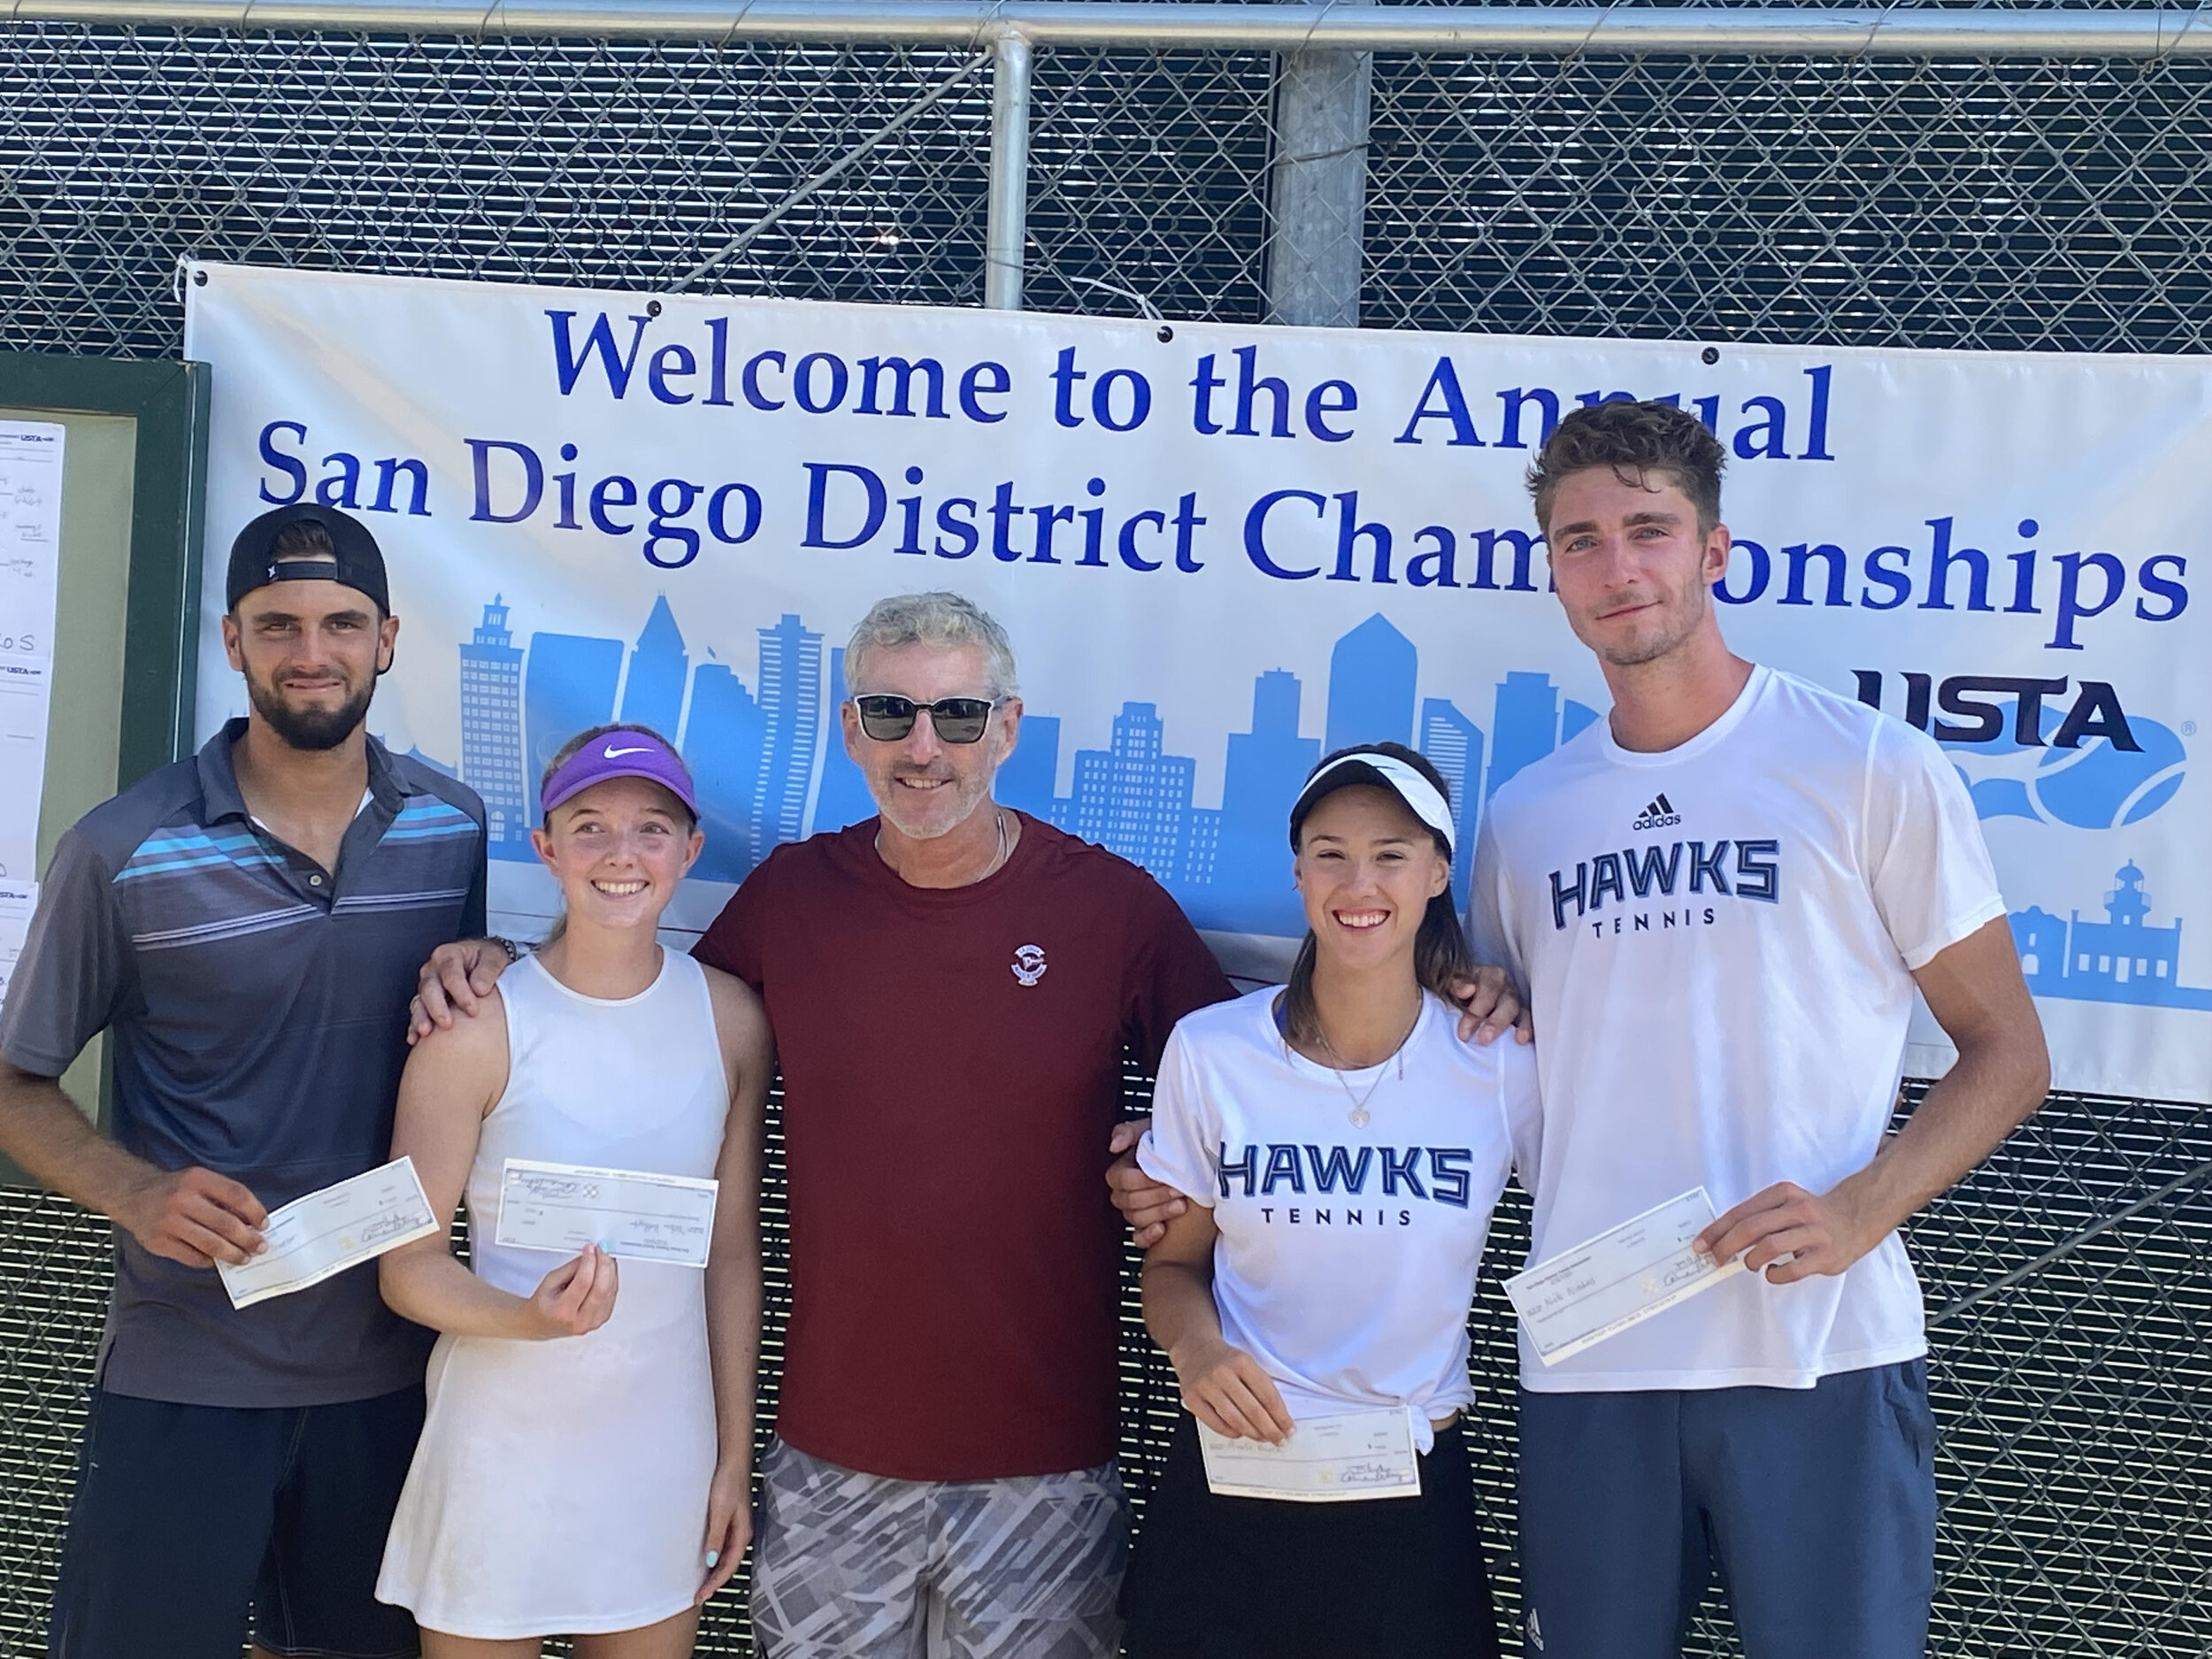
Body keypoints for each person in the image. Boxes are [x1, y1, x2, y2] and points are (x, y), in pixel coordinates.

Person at [410, 592, 1239, 1658]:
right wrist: (484, 958)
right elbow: (627, 1014)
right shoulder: (794, 896)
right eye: (891, 715)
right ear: (851, 731)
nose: (925, 750)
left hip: (1046, 1467)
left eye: (958, 717)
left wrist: (1154, 1148)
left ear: (1009, 728)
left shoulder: (1112, 910)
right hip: (829, 1461)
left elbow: (1250, 1084)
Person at [1466, 399, 2051, 1659]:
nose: (1618, 568)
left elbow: (2008, 1050)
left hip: (1819, 1349)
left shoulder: (1866, 767)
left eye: (1648, 529)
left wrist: (1862, 1207)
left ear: (1716, 550)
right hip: (1597, 1355)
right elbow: (1499, 1048)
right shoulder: (1527, 815)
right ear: (1552, 572)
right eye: (1581, 541)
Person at [0, 503, 488, 1659]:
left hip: (389, 1359)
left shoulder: (451, 829)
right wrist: (131, 1191)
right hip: (189, 1359)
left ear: (388, 638)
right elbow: (14, 1080)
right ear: (231, 639)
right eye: (278, 623)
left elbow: (464, 1043)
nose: (309, 650)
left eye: (339, 621)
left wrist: (497, 959)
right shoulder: (122, 848)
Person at [1121, 744, 1536, 1659]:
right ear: (1300, 873)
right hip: (1236, 1472)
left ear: (1436, 873)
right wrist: (1196, 1352)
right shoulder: (1210, 1049)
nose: (1360, 881)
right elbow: (1174, 1264)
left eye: (1390, 852)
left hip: (1406, 1486)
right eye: (1330, 851)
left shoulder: (1501, 1064)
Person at [374, 724, 770, 1656]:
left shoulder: (732, 1019)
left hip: (658, 1456)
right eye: (589, 828)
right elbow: (407, 1264)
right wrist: (529, 1319)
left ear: (690, 851)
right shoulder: (475, 1027)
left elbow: (732, 1255)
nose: (621, 855)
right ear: (546, 850)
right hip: (497, 1455)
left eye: (651, 829)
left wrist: (730, 1458)